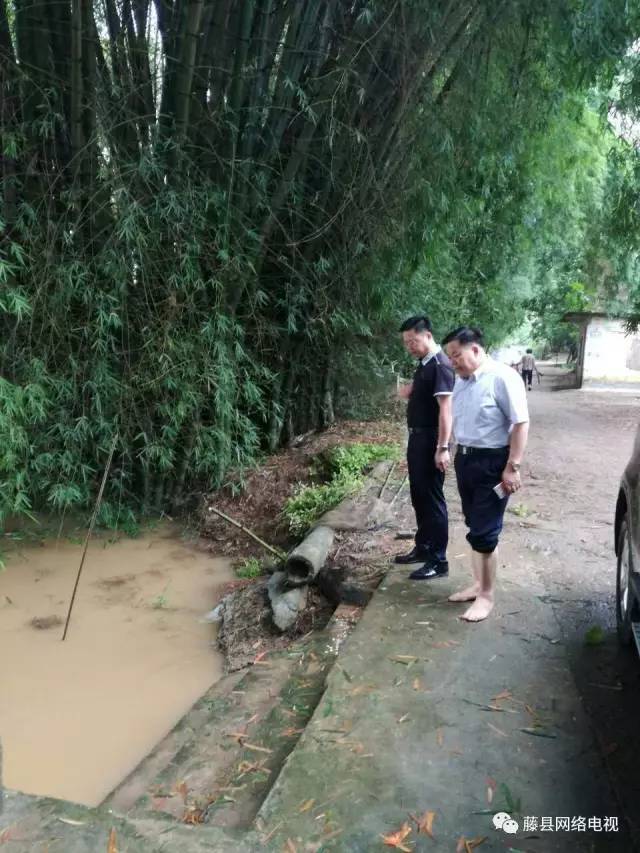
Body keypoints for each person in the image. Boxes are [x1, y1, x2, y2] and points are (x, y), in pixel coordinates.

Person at [442, 326, 529, 621]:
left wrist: (512, 466)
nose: (453, 362)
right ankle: (478, 584)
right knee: (473, 525)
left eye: (456, 355)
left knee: (485, 532)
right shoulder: (462, 382)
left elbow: (520, 423)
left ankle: (487, 596)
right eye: (450, 357)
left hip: (493, 464)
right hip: (465, 460)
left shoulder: (503, 378)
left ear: (476, 349)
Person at [395, 315, 455, 580]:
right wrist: (412, 391)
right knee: (419, 495)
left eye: (413, 340)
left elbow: (446, 409)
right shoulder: (425, 363)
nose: (410, 346)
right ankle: (423, 547)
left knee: (432, 499)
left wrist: (442, 447)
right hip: (417, 439)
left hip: (431, 440)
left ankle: (438, 560)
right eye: (406, 342)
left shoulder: (441, 364)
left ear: (428, 336)